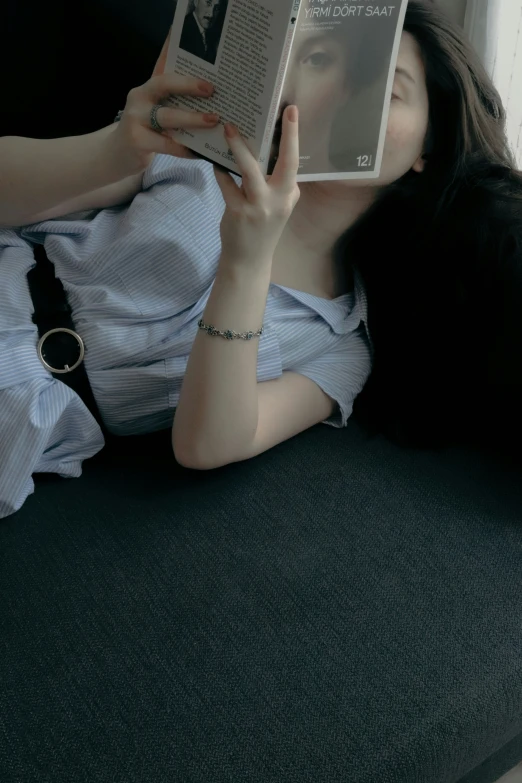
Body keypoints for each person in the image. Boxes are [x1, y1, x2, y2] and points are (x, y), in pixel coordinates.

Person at [1, 0, 521, 519]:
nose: (343, 91)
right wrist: (113, 150)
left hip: (29, 422)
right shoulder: (199, 160)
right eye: (320, 62)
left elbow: (207, 445)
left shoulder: (340, 346)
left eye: (388, 89)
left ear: (427, 146)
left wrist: (246, 263)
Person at [179, 0, 224, 66]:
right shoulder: (182, 30)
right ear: (196, 2)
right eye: (208, 3)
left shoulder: (211, 35)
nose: (211, 14)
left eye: (216, 8)